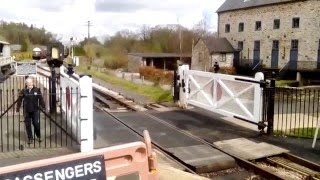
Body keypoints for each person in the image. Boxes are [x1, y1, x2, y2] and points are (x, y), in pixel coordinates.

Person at [16, 77, 45, 144]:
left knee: (36, 124)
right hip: (26, 110)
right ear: (26, 84)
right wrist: (18, 108)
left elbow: (40, 98)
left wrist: (43, 106)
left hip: (35, 110)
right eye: (28, 85)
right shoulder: (23, 90)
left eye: (31, 84)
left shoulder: (37, 90)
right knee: (28, 125)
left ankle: (38, 136)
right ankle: (30, 138)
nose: (30, 86)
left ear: (33, 83)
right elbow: (19, 100)